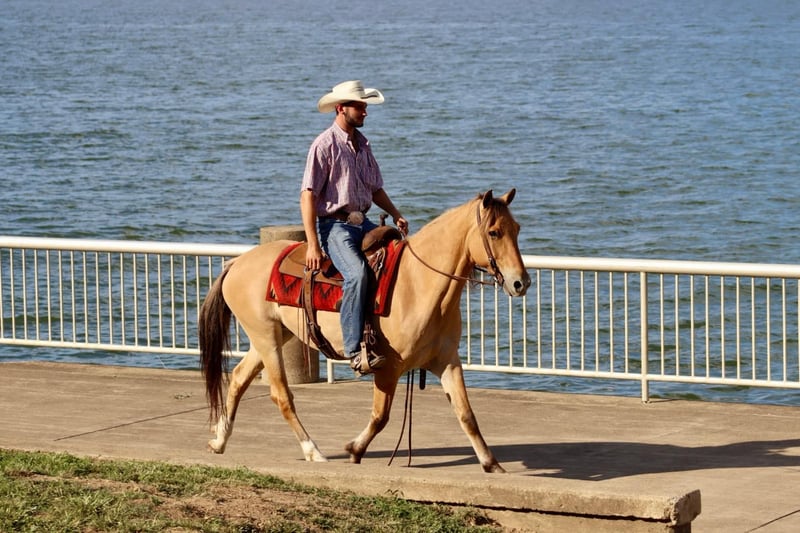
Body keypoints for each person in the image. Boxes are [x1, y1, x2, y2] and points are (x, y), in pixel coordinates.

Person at [300, 80, 409, 374]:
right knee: (357, 274)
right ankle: (354, 351)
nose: (365, 112)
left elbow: (375, 189)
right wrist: (313, 245)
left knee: (399, 256)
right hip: (335, 226)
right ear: (341, 108)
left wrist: (395, 214)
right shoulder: (324, 145)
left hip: (364, 221)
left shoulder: (363, 145)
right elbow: (308, 195)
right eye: (359, 107)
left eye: (364, 106)